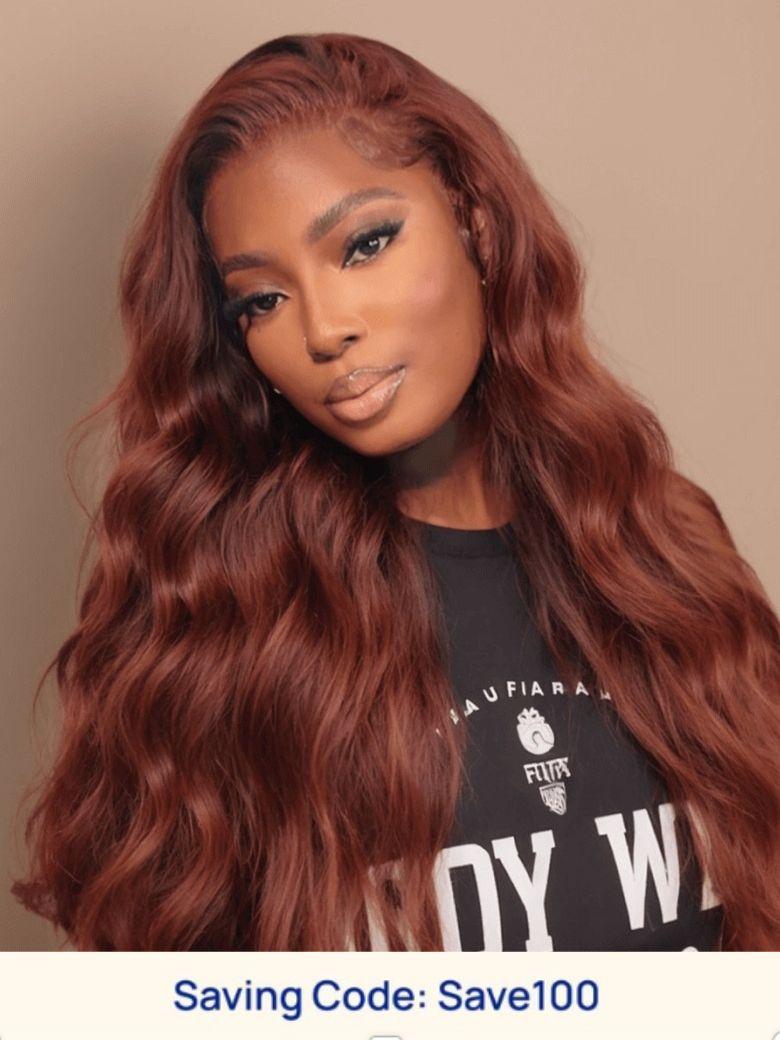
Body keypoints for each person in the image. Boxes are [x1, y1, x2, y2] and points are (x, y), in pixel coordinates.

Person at [12, 31, 779, 952]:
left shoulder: (667, 549)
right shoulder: (220, 631)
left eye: (364, 244)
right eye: (261, 301)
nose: (324, 328)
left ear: (475, 223)